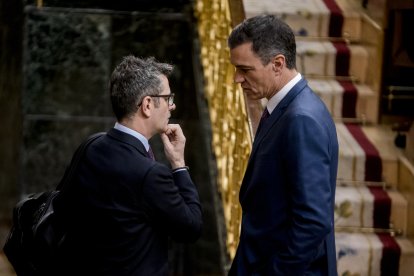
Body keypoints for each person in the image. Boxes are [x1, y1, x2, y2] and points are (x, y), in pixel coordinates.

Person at [53, 55, 203, 275]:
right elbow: (191, 228)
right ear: (148, 105)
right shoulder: (151, 174)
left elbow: (61, 208)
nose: (173, 105)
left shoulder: (90, 146)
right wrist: (179, 164)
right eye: (168, 97)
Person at [227, 15, 339, 275]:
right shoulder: (285, 108)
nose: (236, 79)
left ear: (278, 63)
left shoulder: (301, 120)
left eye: (245, 69)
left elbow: (312, 222)